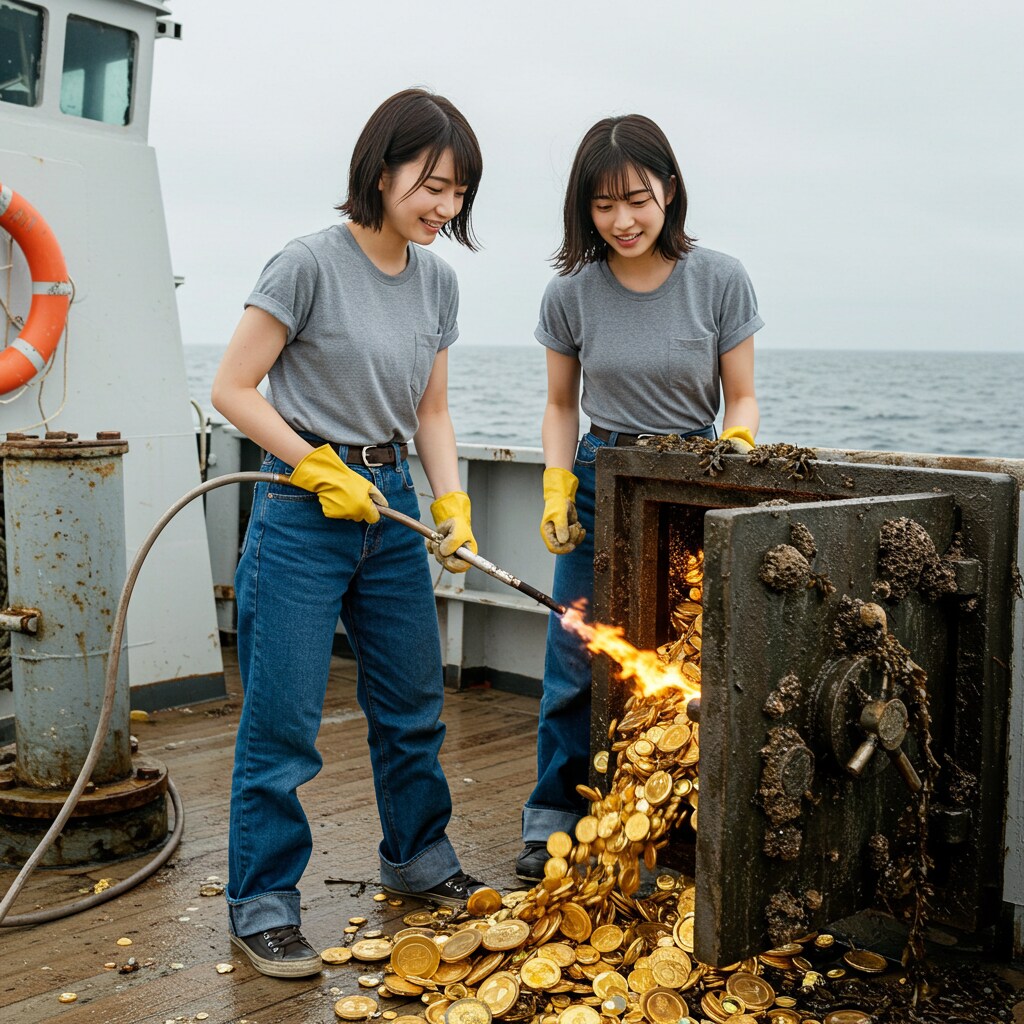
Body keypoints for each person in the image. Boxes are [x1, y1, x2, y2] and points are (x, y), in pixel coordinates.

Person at [212, 88, 488, 978]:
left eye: (459, 194)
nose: (445, 209)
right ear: (382, 168)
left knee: (412, 708)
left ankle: (418, 858)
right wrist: (313, 465)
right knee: (283, 722)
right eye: (434, 186)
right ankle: (261, 902)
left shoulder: (438, 280)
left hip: (391, 505)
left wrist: (450, 505)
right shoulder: (307, 263)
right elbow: (233, 388)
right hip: (303, 512)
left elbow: (433, 411)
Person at [516, 114, 763, 882]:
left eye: (636, 199)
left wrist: (737, 460)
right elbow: (562, 405)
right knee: (575, 653)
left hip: (692, 482)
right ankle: (553, 821)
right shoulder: (571, 293)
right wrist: (559, 484)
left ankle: (665, 820)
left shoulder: (720, 278)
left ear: (670, 190)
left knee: (680, 661)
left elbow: (742, 399)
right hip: (601, 475)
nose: (621, 220)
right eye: (601, 205)